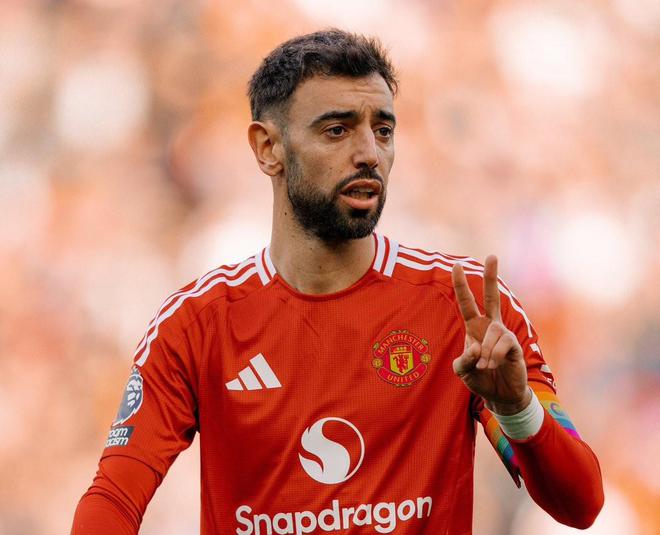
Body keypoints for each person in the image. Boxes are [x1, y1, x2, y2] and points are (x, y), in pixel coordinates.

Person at [72, 29, 604, 534]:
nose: (369, 152)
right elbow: (114, 498)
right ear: (268, 148)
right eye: (337, 130)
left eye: (383, 130)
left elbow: (580, 505)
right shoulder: (198, 324)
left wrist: (516, 408)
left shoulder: (465, 311)